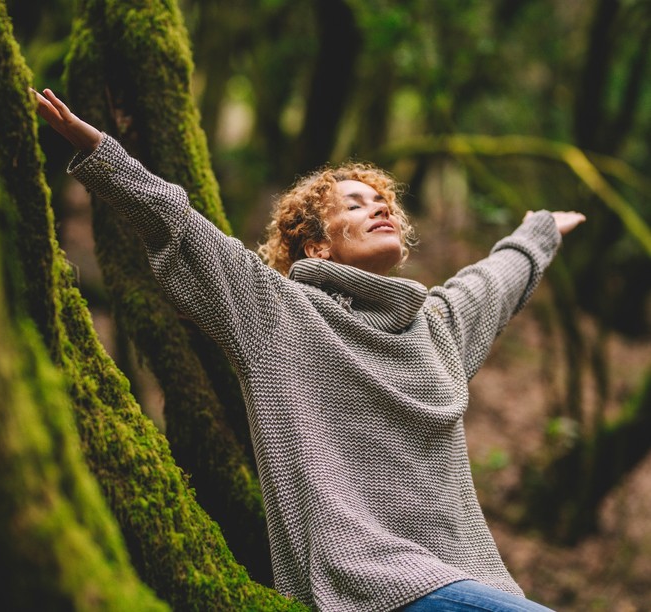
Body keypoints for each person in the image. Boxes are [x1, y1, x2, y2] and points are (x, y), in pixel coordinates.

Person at [32, 87, 585, 611]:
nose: (380, 209)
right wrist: (100, 152)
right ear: (317, 244)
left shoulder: (436, 328)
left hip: (473, 582)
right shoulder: (278, 315)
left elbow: (492, 281)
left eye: (382, 202)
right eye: (355, 205)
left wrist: (541, 232)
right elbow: (180, 225)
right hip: (363, 586)